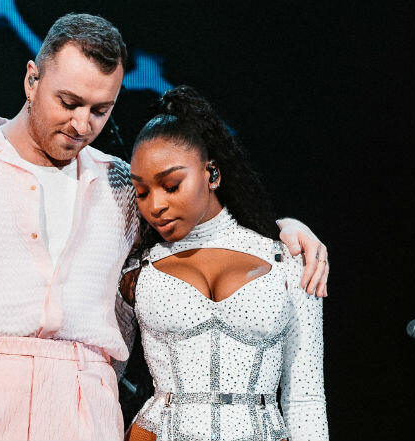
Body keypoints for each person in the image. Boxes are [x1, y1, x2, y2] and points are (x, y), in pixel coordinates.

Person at [0, 14, 329, 441]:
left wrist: (280, 230)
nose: (82, 124)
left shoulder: (122, 184)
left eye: (100, 110)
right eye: (68, 102)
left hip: (88, 405)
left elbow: (196, 232)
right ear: (32, 80)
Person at [121, 85, 328, 441]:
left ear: (212, 174)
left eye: (171, 185)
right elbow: (102, 373)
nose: (155, 206)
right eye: (142, 192)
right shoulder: (135, 270)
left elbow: (305, 397)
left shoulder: (288, 260)